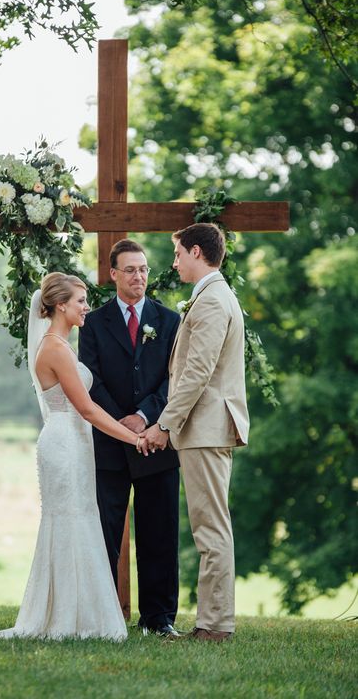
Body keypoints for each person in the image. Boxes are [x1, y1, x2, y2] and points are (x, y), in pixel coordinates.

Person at [0, 272, 150, 641]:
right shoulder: (53, 348)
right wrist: (133, 439)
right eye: (81, 301)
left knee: (81, 519)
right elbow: (87, 409)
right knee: (70, 520)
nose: (87, 307)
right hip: (65, 443)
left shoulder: (63, 345)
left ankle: (80, 613)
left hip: (75, 442)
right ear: (61, 305)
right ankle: (69, 618)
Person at [144, 223, 250, 643]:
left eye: (177, 255)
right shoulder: (214, 295)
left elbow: (196, 373)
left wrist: (165, 423)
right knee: (210, 527)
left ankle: (215, 626)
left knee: (210, 529)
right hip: (206, 427)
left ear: (195, 252)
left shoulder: (210, 301)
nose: (174, 263)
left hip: (205, 427)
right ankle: (213, 621)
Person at [79, 239, 181, 637]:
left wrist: (144, 417)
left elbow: (177, 378)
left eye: (144, 269)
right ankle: (101, 617)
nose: (139, 276)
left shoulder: (169, 321)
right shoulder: (94, 322)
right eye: (131, 270)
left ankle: (159, 620)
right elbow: (91, 380)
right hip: (108, 445)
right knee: (104, 532)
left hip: (156, 441)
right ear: (114, 274)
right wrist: (122, 425)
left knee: (159, 534)